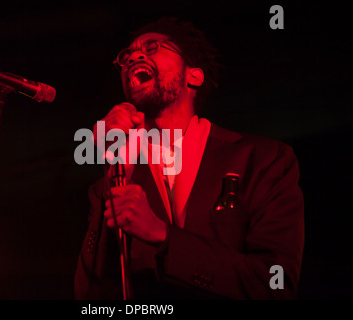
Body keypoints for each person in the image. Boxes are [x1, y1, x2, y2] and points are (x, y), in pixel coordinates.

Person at [74, 17, 304, 299]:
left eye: (152, 47)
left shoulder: (262, 159)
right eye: (126, 56)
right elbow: (89, 295)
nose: (133, 56)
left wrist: (163, 235)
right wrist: (116, 165)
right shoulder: (116, 177)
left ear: (193, 75)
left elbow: (275, 283)